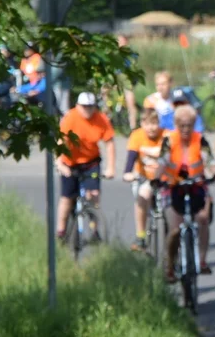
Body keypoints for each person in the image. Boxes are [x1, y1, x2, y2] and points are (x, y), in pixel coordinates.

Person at [159, 104, 215, 282]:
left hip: (196, 186)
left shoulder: (200, 140)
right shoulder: (169, 141)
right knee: (175, 229)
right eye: (182, 125)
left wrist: (214, 173)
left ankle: (201, 260)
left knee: (203, 218)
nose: (185, 129)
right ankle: (169, 265)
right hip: (172, 188)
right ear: (176, 124)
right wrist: (157, 179)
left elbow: (210, 160)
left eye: (189, 125)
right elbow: (162, 162)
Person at [56, 92, 116, 240]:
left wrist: (111, 168)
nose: (87, 110)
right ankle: (61, 230)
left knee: (93, 194)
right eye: (84, 107)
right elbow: (60, 141)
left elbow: (109, 143)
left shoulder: (100, 118)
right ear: (77, 106)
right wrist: (59, 163)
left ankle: (94, 228)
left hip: (91, 162)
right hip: (70, 162)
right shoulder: (70, 118)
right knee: (67, 198)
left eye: (90, 107)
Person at [122, 108, 166, 251]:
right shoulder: (137, 136)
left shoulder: (166, 136)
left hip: (164, 178)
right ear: (142, 124)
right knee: (143, 196)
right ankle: (141, 236)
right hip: (145, 177)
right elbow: (131, 156)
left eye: (154, 123)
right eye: (147, 124)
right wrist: (128, 173)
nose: (151, 128)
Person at [116, 34, 139, 129]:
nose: (119, 44)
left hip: (127, 81)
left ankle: (132, 126)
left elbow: (131, 68)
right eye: (118, 42)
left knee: (130, 103)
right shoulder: (114, 54)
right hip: (116, 80)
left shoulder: (131, 54)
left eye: (121, 41)